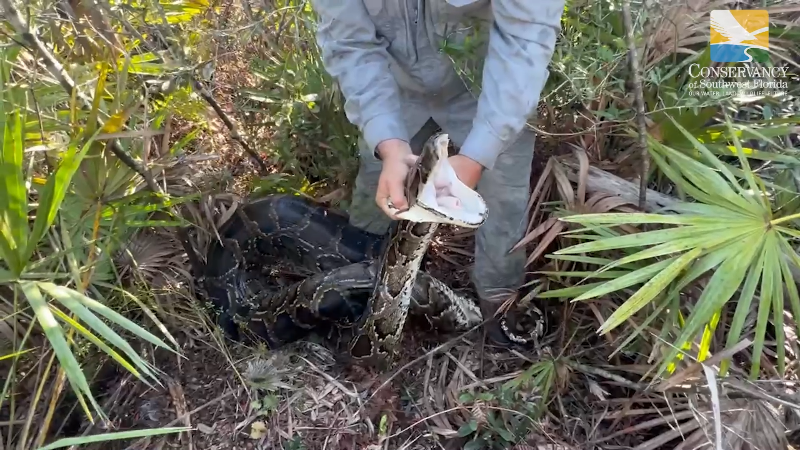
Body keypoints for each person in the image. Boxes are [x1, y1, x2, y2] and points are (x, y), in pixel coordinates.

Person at [309, 0, 564, 345]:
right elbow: (351, 45)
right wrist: (389, 143)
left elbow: (525, 42)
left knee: (504, 201)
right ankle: (359, 291)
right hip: (394, 91)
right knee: (376, 194)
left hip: (489, 90)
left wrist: (477, 156)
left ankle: (499, 304)